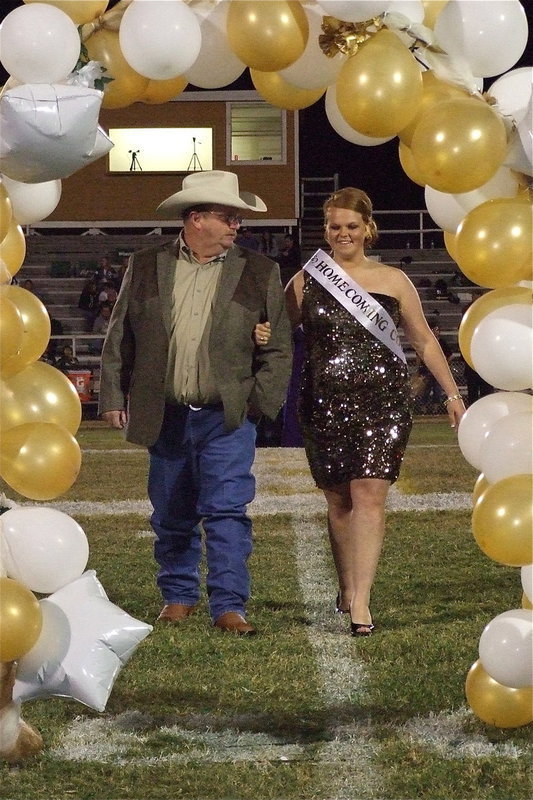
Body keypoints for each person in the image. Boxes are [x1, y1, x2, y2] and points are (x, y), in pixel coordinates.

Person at [98, 170, 293, 636]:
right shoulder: (146, 264)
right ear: (196, 218)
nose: (236, 227)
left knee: (227, 511)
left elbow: (279, 347)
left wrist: (255, 405)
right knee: (170, 512)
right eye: (228, 217)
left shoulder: (260, 270)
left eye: (236, 220)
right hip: (163, 413)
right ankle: (178, 595)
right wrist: (111, 394)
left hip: (226, 417)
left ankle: (229, 605)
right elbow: (119, 334)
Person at [270, 187, 465, 637]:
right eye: (335, 227)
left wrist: (452, 394)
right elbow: (278, 329)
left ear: (367, 229)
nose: (343, 234)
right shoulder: (306, 278)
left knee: (371, 493)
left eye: (351, 227)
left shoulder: (395, 280)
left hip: (383, 402)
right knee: (339, 501)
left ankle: (362, 602)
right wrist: (263, 332)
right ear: (326, 230)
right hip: (323, 402)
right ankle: (346, 586)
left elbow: (422, 340)